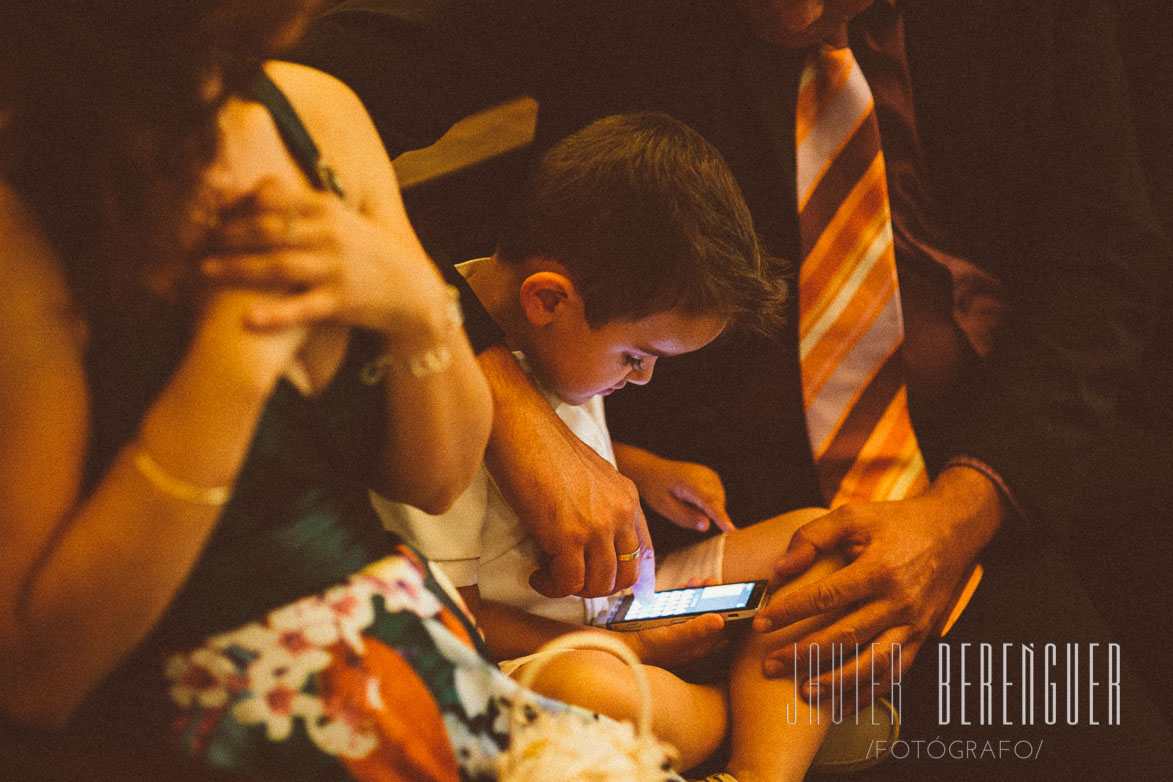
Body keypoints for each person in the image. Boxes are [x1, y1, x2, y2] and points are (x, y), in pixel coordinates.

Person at [291, 0, 1173, 778]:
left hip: (988, 443)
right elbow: (270, 120)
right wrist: (487, 382)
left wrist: (967, 507)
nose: (792, 16)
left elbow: (1106, 258)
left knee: (1089, 731)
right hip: (710, 472)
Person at [0, 2, 630, 781]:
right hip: (192, 729)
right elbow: (37, 681)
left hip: (406, 662)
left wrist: (413, 309)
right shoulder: (25, 203)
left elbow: (436, 479)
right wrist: (234, 358)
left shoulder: (314, 112)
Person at [378, 111, 874, 779]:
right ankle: (747, 726)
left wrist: (643, 471)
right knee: (594, 694)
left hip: (621, 598)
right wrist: (628, 651)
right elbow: (450, 615)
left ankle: (759, 756)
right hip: (533, 648)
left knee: (822, 541)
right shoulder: (440, 404)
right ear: (547, 300)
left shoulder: (553, 342)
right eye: (636, 358)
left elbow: (569, 440)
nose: (642, 379)